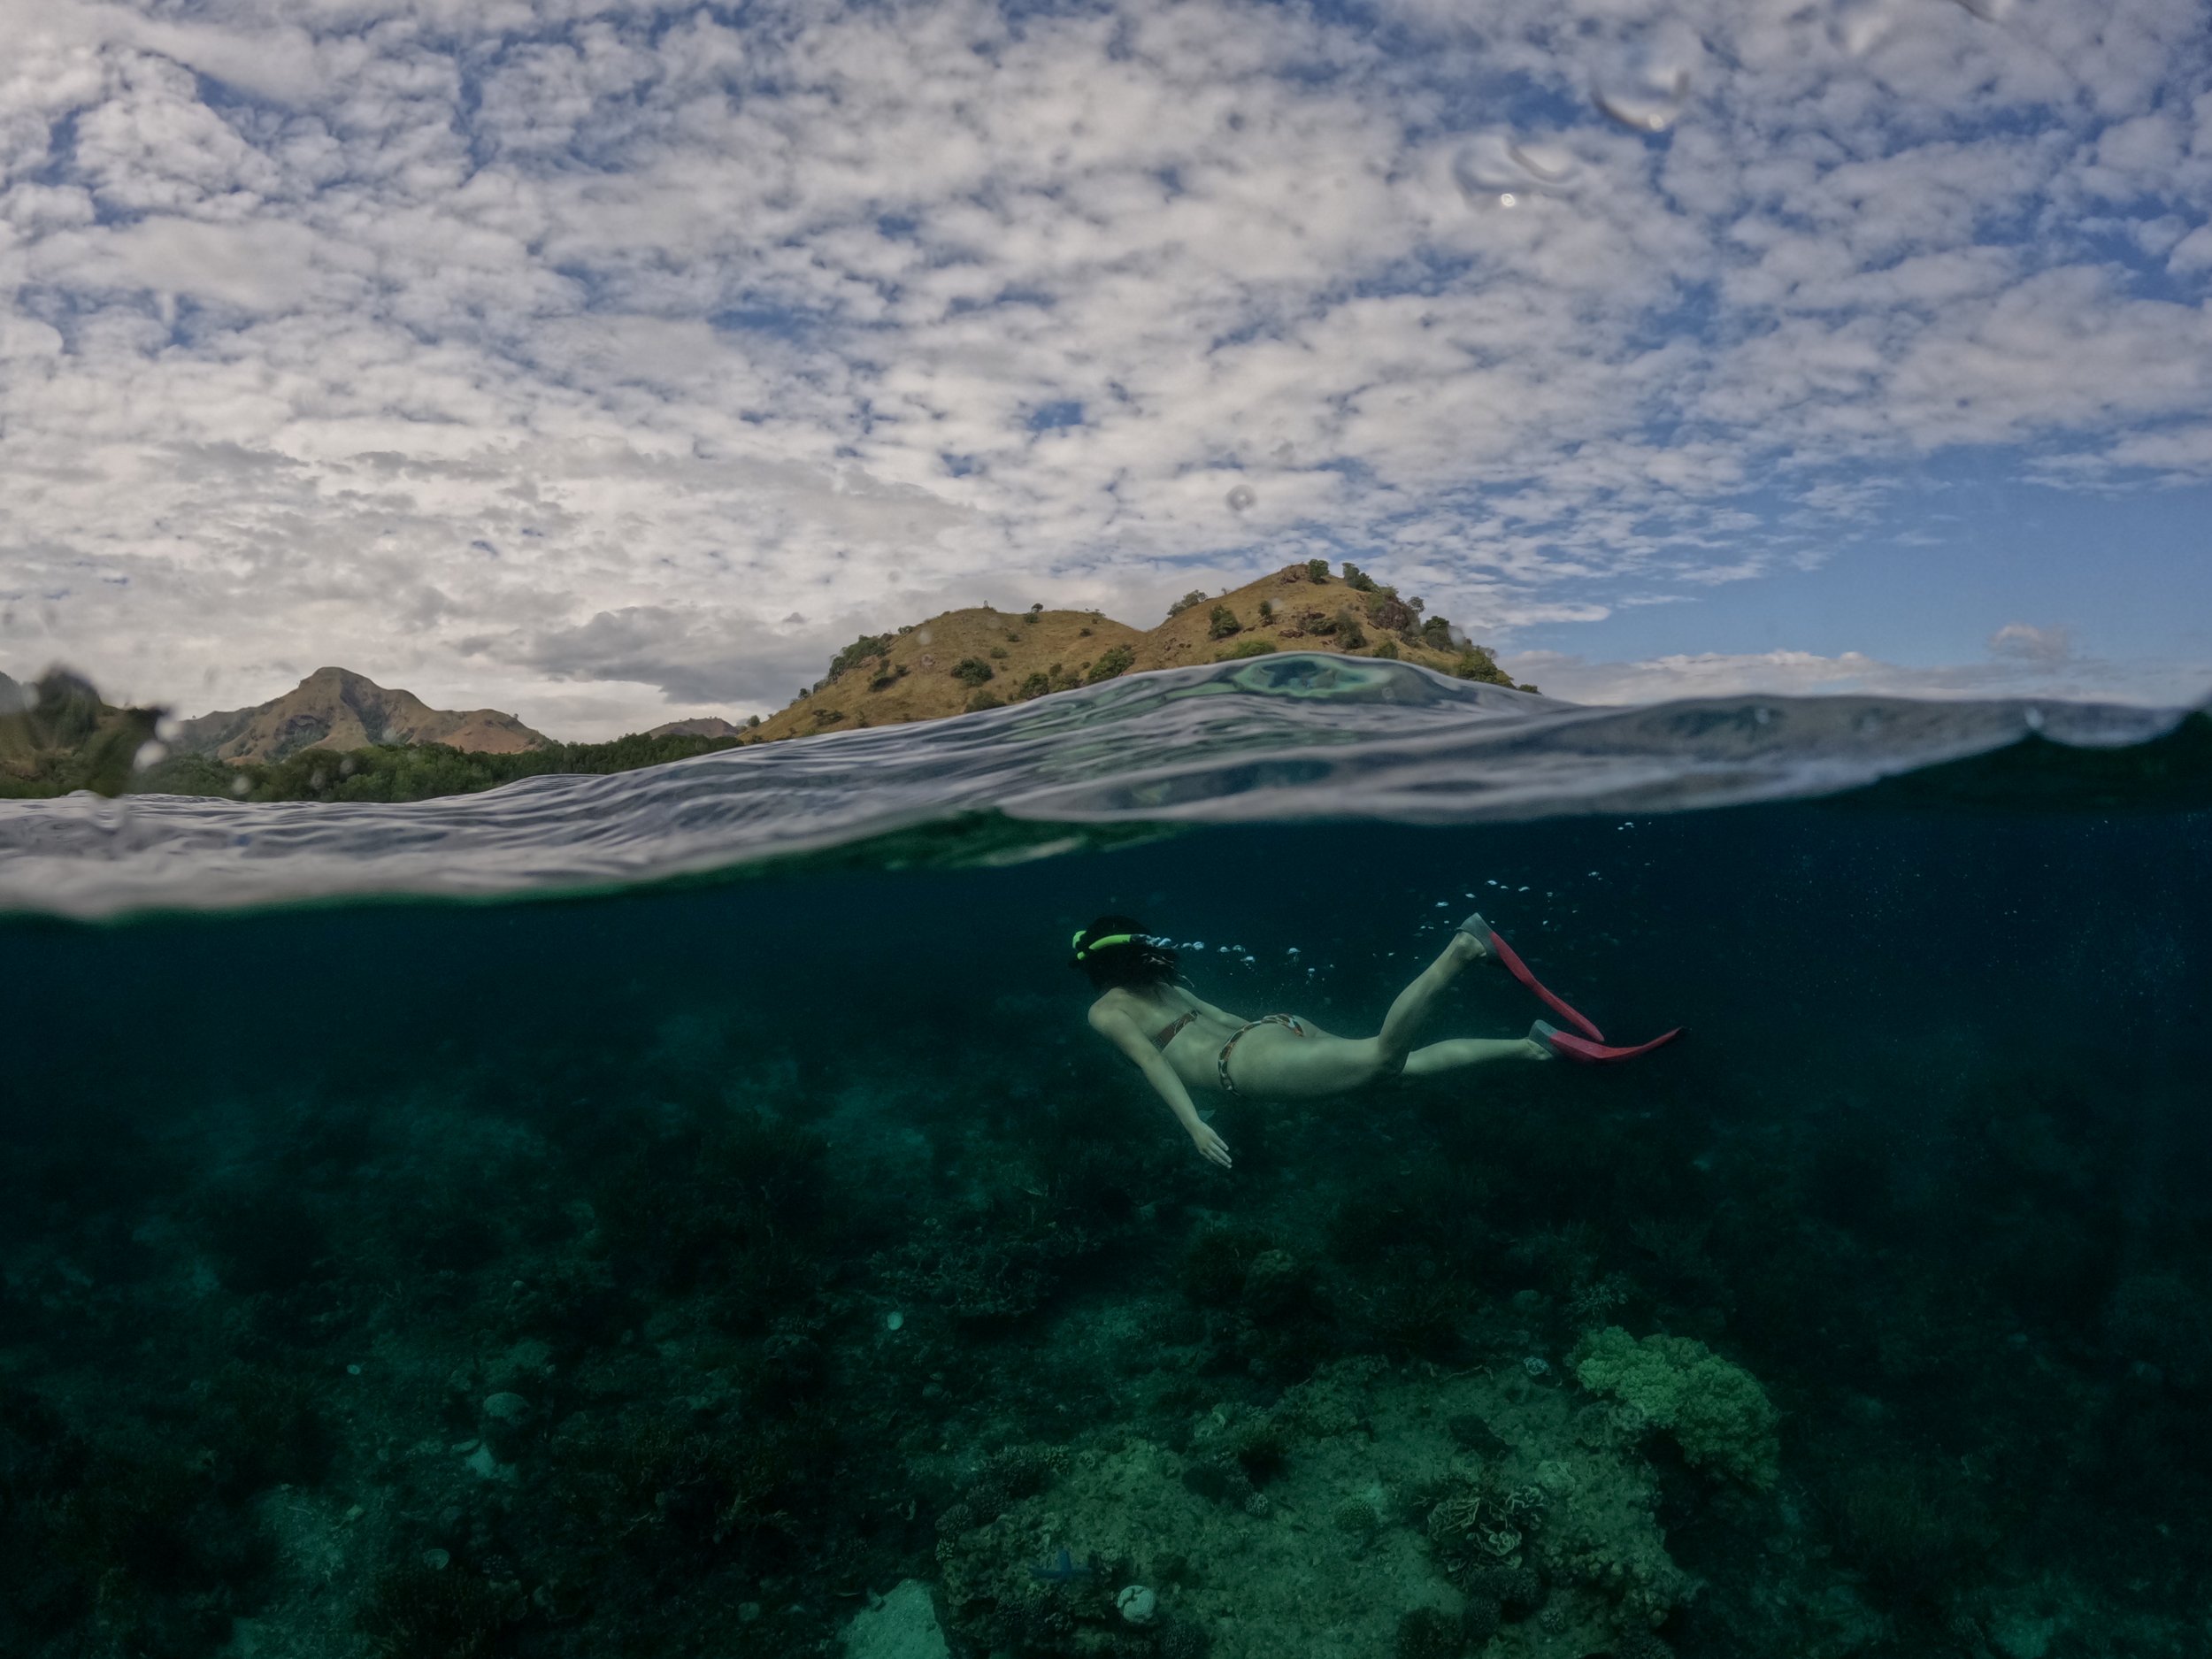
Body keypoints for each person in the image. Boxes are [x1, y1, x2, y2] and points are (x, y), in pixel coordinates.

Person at [1073, 913, 1678, 1169]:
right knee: (1398, 1070)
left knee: (1381, 1057)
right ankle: (1534, 1046)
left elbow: (1154, 1063)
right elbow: (1223, 1012)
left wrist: (1193, 1126)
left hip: (1247, 1064)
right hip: (1270, 1032)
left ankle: (1461, 949)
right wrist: (1283, 1037)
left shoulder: (1107, 1010)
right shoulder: (1161, 982)